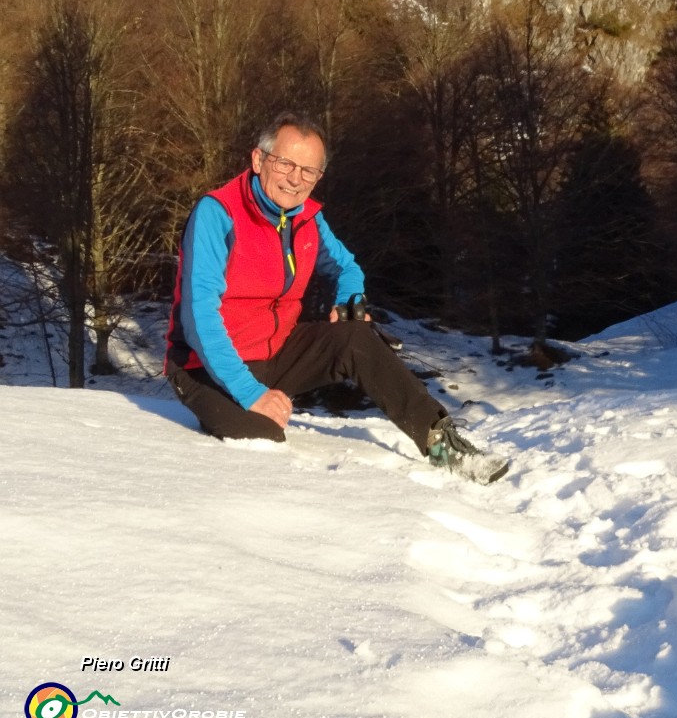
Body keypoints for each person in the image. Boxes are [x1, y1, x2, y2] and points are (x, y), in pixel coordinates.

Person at [164, 112, 508, 484]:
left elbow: (347, 267)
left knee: (354, 334)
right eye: (286, 164)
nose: (296, 179)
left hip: (275, 352)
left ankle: (443, 443)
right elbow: (199, 318)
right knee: (262, 435)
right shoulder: (218, 214)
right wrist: (251, 393)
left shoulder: (306, 218)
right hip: (205, 367)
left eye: (309, 171)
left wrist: (348, 302)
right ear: (259, 160)